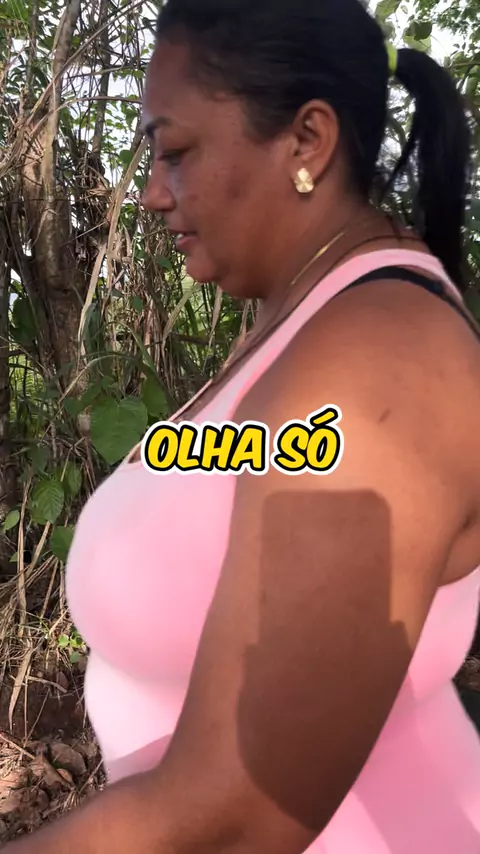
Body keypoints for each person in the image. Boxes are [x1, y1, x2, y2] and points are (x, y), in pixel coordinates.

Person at [6, 0, 480, 852]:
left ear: (307, 141)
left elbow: (240, 810)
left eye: (176, 152)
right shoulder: (299, 321)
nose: (152, 194)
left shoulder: (375, 360)